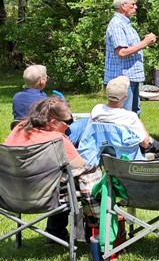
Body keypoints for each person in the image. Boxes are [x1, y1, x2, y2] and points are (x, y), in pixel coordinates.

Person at [4, 98, 101, 242]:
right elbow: (80, 164)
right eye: (68, 122)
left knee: (58, 177)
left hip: (12, 194)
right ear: (53, 123)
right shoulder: (56, 139)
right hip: (46, 195)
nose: (70, 126)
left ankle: (55, 233)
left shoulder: (18, 129)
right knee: (83, 174)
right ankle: (94, 223)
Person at [104, 0, 157, 114]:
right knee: (125, 115)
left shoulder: (125, 24)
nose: (136, 7)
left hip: (131, 77)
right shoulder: (117, 25)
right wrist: (145, 42)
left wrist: (145, 42)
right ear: (123, 6)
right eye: (132, 4)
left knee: (134, 113)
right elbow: (121, 52)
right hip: (122, 80)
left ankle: (135, 133)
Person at [90, 76, 159, 154]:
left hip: (105, 150)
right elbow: (145, 143)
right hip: (126, 154)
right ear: (126, 96)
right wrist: (139, 122)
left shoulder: (97, 109)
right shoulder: (129, 116)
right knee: (158, 146)